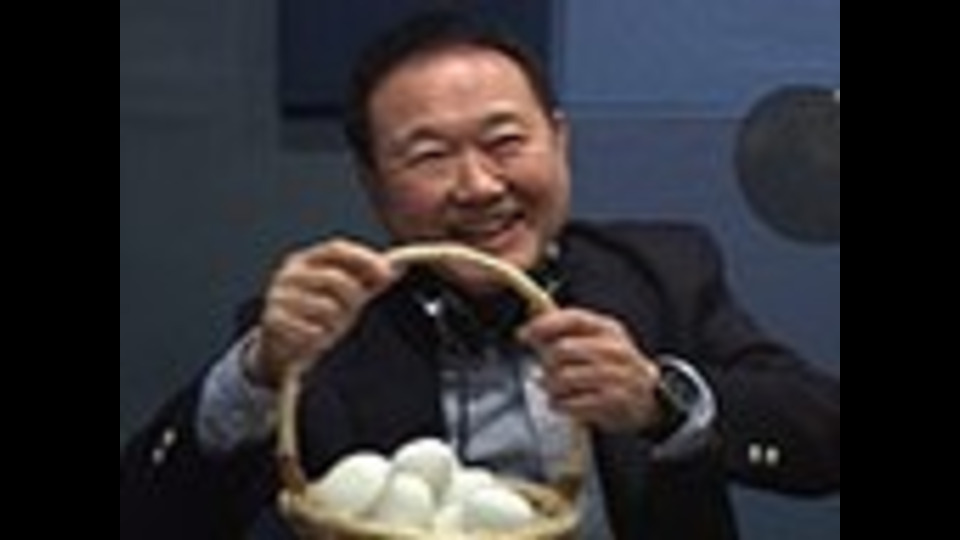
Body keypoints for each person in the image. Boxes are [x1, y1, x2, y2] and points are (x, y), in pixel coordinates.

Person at [120, 9, 840, 540]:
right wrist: (256, 374)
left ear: (559, 141)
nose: (479, 186)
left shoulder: (663, 272)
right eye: (430, 156)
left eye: (505, 141)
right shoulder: (323, 328)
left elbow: (822, 440)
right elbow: (149, 517)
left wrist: (661, 404)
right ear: (372, 183)